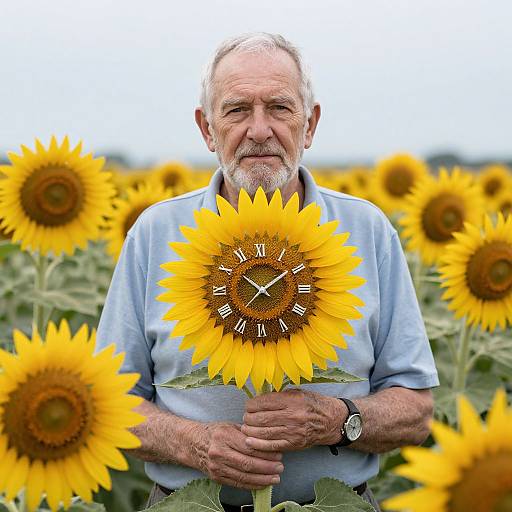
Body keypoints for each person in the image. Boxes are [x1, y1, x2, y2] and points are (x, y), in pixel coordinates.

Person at [96, 33, 439, 511]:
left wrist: (336, 420)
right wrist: (194, 443)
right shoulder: (157, 234)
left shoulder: (366, 232)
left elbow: (416, 410)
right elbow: (110, 404)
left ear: (310, 124)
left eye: (279, 108)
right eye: (237, 110)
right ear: (207, 128)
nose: (259, 130)